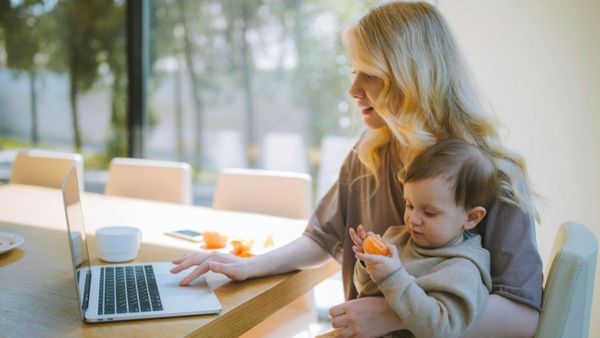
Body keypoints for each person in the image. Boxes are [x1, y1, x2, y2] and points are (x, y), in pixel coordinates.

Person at [170, 2, 543, 337]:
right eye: (354, 72)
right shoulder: (368, 156)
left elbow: (523, 317)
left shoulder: (494, 176)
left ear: (413, 79)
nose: (353, 89)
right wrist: (251, 265)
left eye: (370, 75)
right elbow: (321, 239)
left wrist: (394, 313)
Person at [348, 139, 496, 338]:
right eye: (409, 205)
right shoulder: (398, 238)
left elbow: (441, 329)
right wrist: (368, 264)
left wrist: (393, 277)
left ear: (471, 217)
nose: (413, 219)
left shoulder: (463, 269)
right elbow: (366, 289)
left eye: (429, 212)